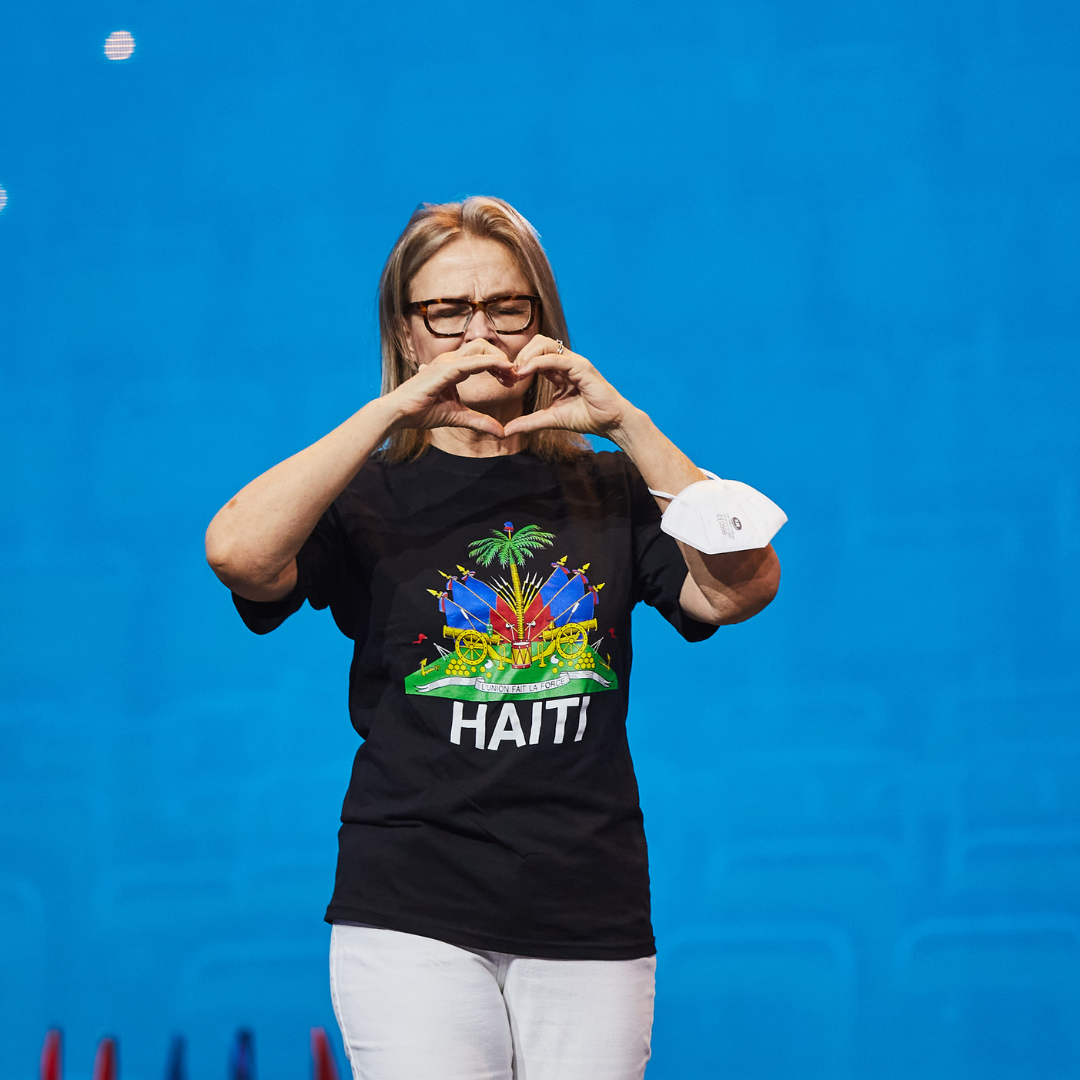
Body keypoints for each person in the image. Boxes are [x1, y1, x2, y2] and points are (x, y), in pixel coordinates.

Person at [205, 196, 781, 1080]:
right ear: (407, 331)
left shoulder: (615, 490)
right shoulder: (363, 498)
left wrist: (629, 426)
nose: (482, 334)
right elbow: (238, 553)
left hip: (590, 908)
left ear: (543, 321)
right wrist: (395, 409)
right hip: (409, 904)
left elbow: (744, 584)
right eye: (448, 312)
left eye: (507, 308)